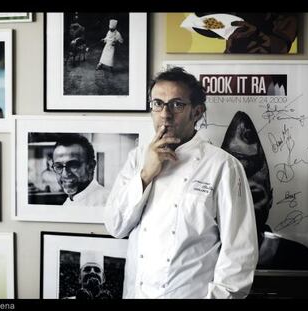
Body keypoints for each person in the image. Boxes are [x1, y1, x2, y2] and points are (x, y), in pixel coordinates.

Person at [104, 67, 259, 298]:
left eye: (177, 104)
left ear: (197, 112)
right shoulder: (137, 158)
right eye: (157, 103)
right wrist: (146, 174)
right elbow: (115, 227)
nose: (165, 114)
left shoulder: (223, 166)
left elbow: (239, 253)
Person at [221, 111, 308, 270]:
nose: (246, 207)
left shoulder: (298, 256)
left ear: (271, 199)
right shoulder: (203, 253)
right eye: (236, 195)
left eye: (254, 195)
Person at [52, 134, 109, 207]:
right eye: (59, 166)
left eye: (73, 165)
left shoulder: (103, 203)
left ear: (91, 167)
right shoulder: (71, 200)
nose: (65, 174)